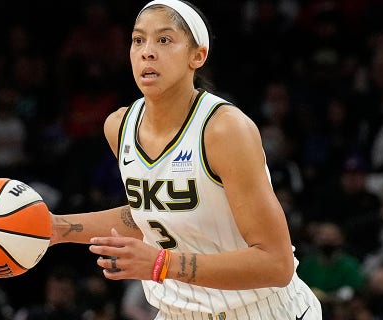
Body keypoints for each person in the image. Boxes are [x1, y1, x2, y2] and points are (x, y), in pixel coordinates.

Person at [48, 1, 322, 319]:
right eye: (139, 40)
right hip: (177, 313)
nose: (147, 51)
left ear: (198, 55)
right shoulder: (119, 126)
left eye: (164, 40)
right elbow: (151, 214)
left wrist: (161, 264)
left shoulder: (223, 129)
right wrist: (58, 228)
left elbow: (276, 264)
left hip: (260, 310)